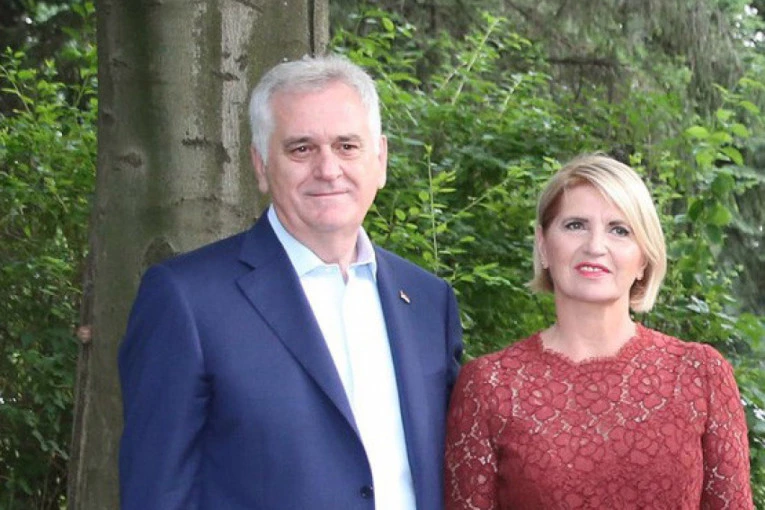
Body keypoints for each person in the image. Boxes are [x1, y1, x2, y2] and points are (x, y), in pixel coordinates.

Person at [118, 54, 463, 510]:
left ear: (380, 159)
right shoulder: (187, 301)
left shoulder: (428, 302)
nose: (328, 169)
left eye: (347, 146)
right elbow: (157, 492)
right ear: (261, 165)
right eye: (302, 149)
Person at [444, 154, 753, 509]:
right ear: (543, 245)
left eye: (619, 230)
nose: (595, 246)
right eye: (575, 225)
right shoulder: (490, 385)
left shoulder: (700, 375)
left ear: (643, 259)